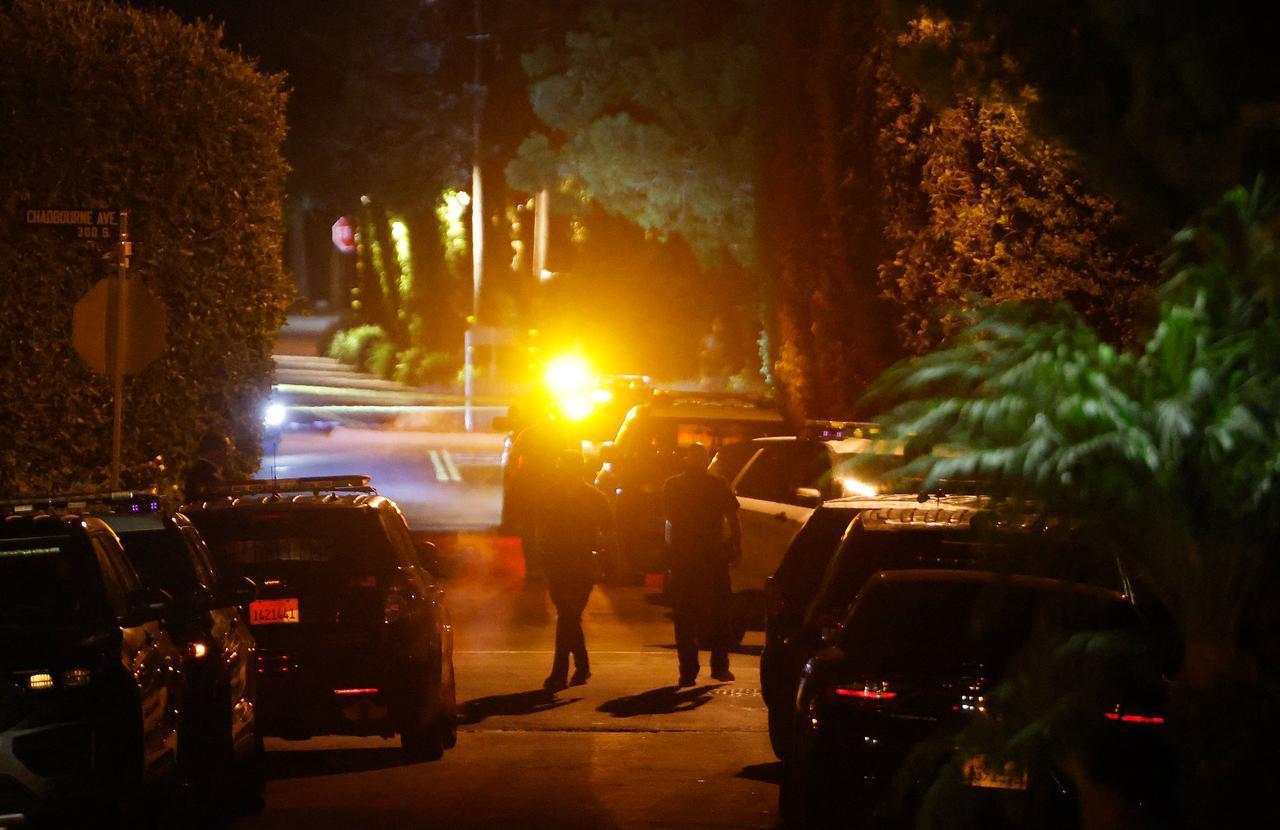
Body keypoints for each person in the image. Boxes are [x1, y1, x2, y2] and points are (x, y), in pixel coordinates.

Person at [662, 443, 741, 686]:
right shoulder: (716, 484)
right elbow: (732, 517)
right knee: (718, 613)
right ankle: (717, 666)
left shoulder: (674, 485)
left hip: (688, 557)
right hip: (709, 556)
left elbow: (668, 518)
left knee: (686, 616)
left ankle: (689, 671)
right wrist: (736, 545)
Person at [536, 450, 615, 691]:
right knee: (568, 615)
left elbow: (608, 530)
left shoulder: (594, 497)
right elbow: (538, 528)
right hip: (558, 562)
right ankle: (582, 665)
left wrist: (602, 559)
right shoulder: (549, 495)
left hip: (582, 563)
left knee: (568, 616)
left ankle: (560, 672)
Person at [184, 429, 233, 501]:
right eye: (225, 451)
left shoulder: (196, 470)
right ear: (216, 452)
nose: (227, 456)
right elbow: (221, 502)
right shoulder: (209, 475)